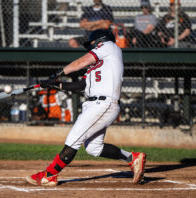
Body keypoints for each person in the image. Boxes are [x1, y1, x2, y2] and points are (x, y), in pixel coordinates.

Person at [26, 29, 147, 187]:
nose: (90, 47)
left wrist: (58, 73)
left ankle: (49, 175)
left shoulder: (110, 46)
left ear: (99, 40)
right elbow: (80, 85)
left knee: (74, 139)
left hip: (103, 103)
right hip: (96, 104)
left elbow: (79, 63)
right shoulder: (97, 66)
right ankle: (133, 158)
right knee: (94, 148)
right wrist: (55, 85)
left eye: (91, 43)